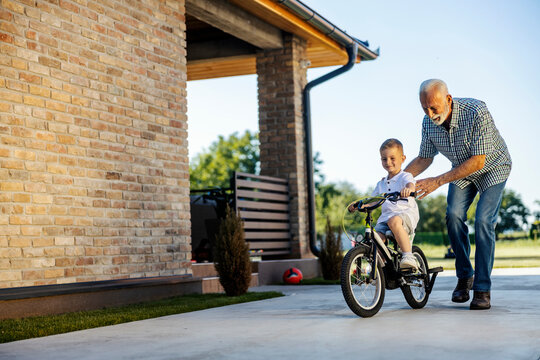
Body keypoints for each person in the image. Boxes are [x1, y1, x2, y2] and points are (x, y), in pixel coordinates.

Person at [405, 79, 512, 310]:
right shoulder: (428, 122)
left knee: (483, 220)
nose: (430, 113)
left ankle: (482, 288)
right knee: (453, 215)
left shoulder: (476, 112)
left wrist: (438, 181)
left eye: (434, 107)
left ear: (448, 99)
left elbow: (479, 161)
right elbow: (425, 157)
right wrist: (397, 179)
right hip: (462, 170)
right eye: (425, 108)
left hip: (492, 167)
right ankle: (465, 276)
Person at [350, 138, 419, 269]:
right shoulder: (381, 184)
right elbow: (373, 200)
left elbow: (411, 184)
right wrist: (359, 205)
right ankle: (381, 266)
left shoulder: (405, 176)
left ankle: (409, 256)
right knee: (375, 238)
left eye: (392, 158)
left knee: (394, 221)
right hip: (385, 219)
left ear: (403, 159)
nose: (388, 162)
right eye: (384, 159)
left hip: (405, 215)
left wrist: (409, 189)